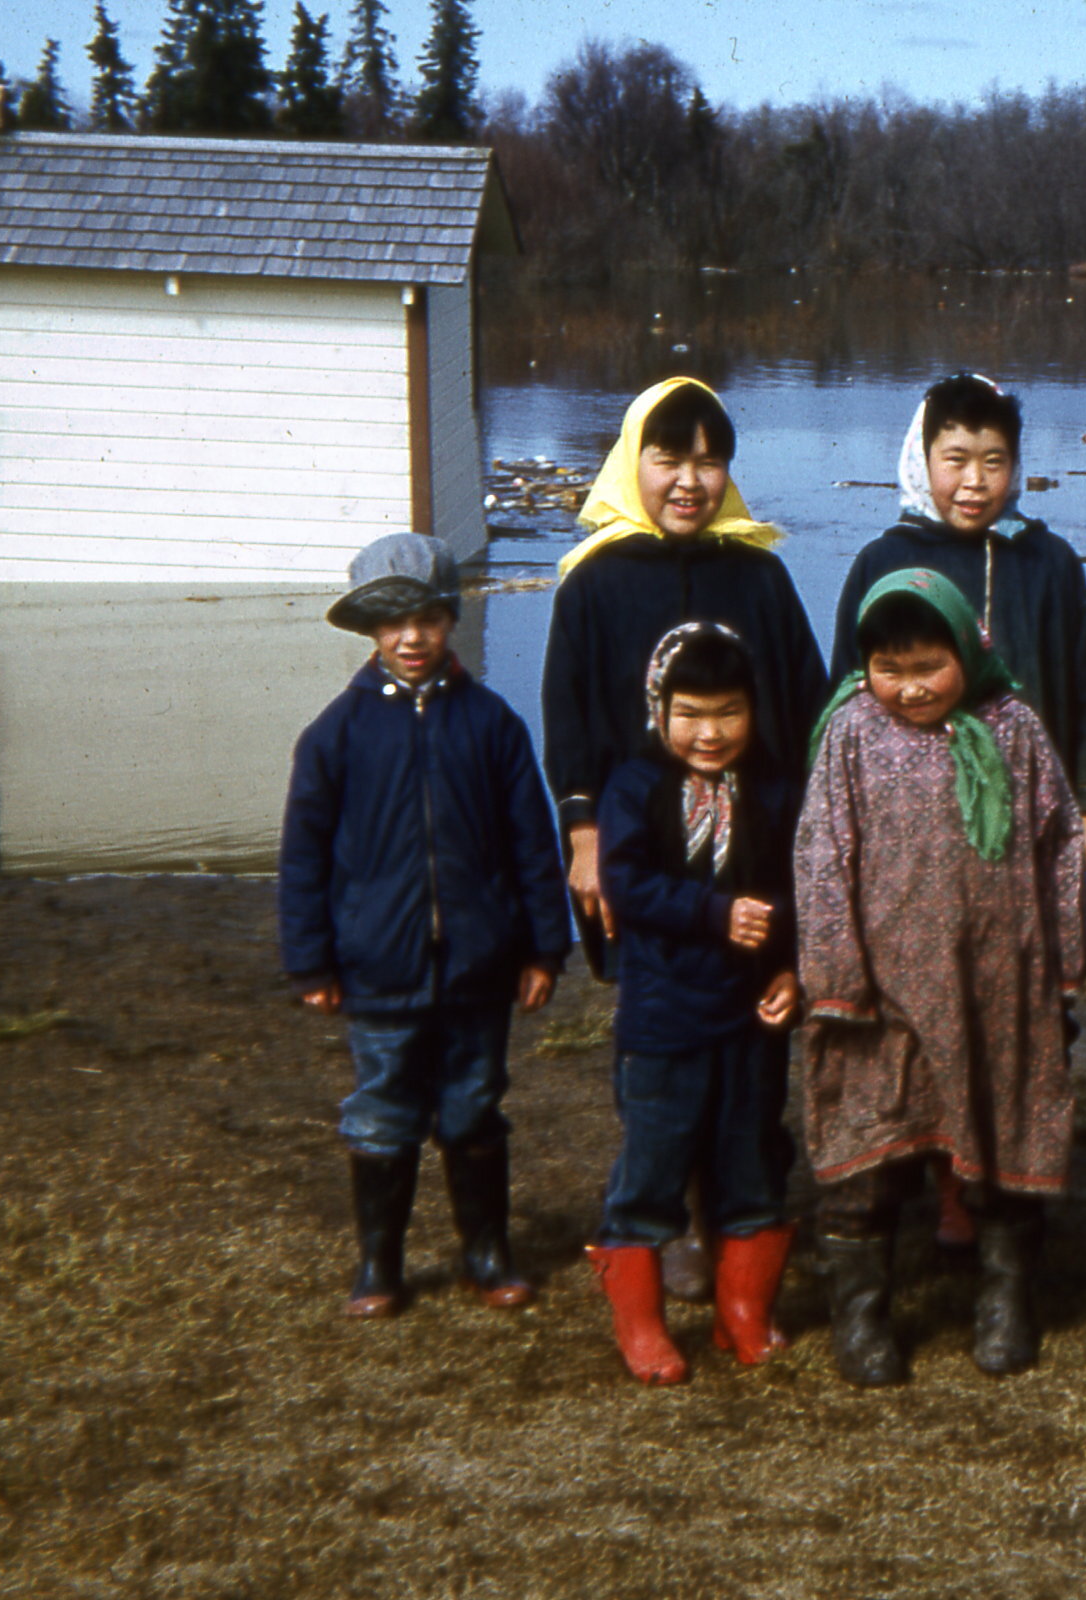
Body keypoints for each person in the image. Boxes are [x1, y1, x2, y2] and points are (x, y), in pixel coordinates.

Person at [540, 376, 826, 1300]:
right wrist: (583, 831)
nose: (690, 480)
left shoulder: (762, 575)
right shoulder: (593, 582)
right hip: (641, 855)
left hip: (751, 851)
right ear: (634, 462)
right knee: (657, 1042)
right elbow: (571, 716)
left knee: (753, 1035)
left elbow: (802, 704)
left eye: (710, 459)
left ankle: (736, 1210)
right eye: (669, 458)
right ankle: (662, 1214)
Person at [824, 371, 1086, 1252]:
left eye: (994, 460)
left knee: (1023, 1007)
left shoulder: (1047, 562)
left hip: (1021, 834)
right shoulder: (883, 561)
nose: (975, 481)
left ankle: (995, 1178)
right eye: (956, 459)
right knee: (913, 1015)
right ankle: (925, 1165)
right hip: (910, 848)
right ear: (922, 460)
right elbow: (844, 694)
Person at [795, 569, 1086, 1386]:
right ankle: (861, 1317)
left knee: (1000, 1140)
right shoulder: (849, 732)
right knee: (870, 1151)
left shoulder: (1014, 729)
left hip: (998, 981)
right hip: (880, 992)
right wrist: (835, 972)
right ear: (866, 666)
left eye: (930, 666)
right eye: (891, 669)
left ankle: (1006, 1301)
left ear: (967, 650)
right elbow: (822, 853)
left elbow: (1061, 842)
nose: (912, 687)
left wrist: (1064, 958)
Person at [280, 532, 572, 1319]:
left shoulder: (493, 725)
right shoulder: (334, 736)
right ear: (370, 631)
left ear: (450, 617)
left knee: (473, 1103)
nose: (412, 637)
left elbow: (533, 846)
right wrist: (311, 962)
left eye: (427, 618)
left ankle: (487, 1250)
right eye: (392, 622)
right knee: (382, 1107)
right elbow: (303, 858)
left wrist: (545, 945)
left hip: (479, 965)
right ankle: (380, 1261)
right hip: (377, 968)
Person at [583, 624, 801, 1384]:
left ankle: (741, 1312)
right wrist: (713, 914)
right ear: (659, 710)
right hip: (665, 1016)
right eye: (691, 714)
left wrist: (792, 969)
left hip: (751, 1019)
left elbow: (798, 886)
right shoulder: (635, 785)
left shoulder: (774, 784)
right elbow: (627, 883)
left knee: (751, 1161)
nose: (710, 733)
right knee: (653, 1165)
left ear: (755, 710)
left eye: (730, 713)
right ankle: (641, 1325)